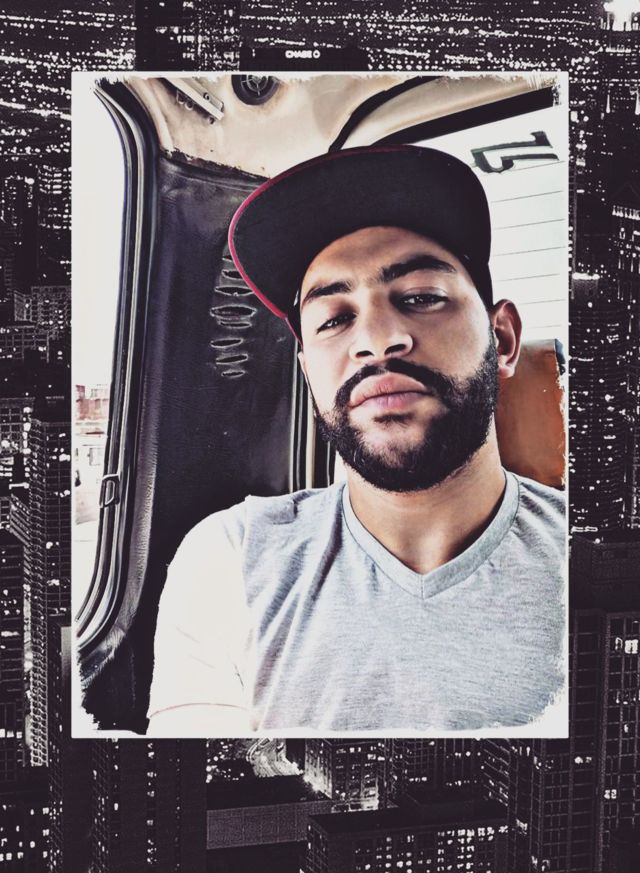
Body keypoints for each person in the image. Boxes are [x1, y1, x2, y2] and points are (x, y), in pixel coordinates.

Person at [147, 145, 565, 735]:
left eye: (420, 297)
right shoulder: (229, 560)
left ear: (502, 338)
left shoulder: (592, 561)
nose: (375, 340)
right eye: (334, 319)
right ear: (307, 370)